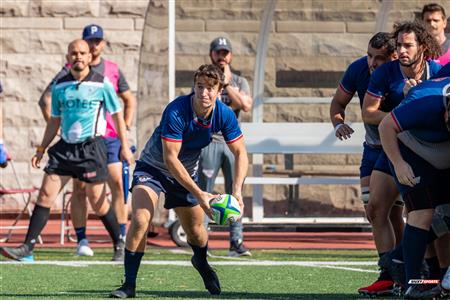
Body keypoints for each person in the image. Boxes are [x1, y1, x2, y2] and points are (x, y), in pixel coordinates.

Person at [110, 64, 248, 298]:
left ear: (219, 90)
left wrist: (237, 191)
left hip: (185, 175)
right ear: (194, 86)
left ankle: (202, 263)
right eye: (199, 86)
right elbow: (170, 158)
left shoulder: (224, 114)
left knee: (196, 232)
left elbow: (240, 153)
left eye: (210, 88)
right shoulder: (177, 110)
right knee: (142, 219)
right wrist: (200, 193)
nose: (204, 92)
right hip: (153, 169)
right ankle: (129, 285)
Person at [0, 39, 133, 262]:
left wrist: (125, 147)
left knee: (98, 201)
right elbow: (54, 120)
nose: (78, 57)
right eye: (73, 53)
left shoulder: (103, 84)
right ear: (67, 57)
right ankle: (27, 248)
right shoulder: (60, 86)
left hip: (92, 148)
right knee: (45, 195)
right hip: (64, 150)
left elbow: (118, 116)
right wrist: (42, 148)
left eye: (82, 53)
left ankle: (119, 243)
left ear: (90, 57)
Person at [38, 24, 136, 259]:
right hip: (80, 142)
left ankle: (121, 236)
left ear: (100, 46)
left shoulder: (111, 70)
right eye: (89, 40)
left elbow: (127, 100)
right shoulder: (68, 70)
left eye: (97, 41)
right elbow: (47, 100)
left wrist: (127, 130)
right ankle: (82, 239)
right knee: (80, 189)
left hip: (109, 138)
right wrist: (64, 130)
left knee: (116, 184)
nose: (93, 44)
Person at [330, 32, 401, 296]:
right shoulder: (358, 68)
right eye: (370, 55)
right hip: (372, 151)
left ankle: (404, 271)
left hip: (400, 150)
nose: (372, 62)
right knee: (375, 212)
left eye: (379, 58)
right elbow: (338, 102)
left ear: (394, 57)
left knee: (394, 212)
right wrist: (338, 123)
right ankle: (391, 273)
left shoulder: (401, 73)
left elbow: (373, 115)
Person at [379, 76, 450, 298]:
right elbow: (385, 126)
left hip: (444, 151)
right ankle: (414, 284)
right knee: (422, 212)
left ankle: (398, 256)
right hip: (412, 148)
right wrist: (399, 164)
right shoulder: (425, 102)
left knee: (447, 211)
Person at [198, 36, 252, 257]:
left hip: (231, 142)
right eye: (218, 52)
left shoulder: (239, 81)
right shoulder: (205, 81)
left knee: (235, 190)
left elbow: (246, 105)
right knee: (205, 191)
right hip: (209, 141)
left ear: (230, 56)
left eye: (225, 53)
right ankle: (202, 240)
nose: (221, 57)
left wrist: (227, 84)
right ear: (211, 54)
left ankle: (236, 241)